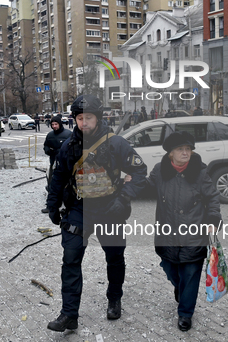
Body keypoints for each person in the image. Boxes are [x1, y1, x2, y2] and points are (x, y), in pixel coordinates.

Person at [45, 95, 147, 332]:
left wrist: (124, 197)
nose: (84, 123)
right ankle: (69, 314)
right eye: (79, 118)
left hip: (111, 208)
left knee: (114, 257)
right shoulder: (68, 146)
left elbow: (140, 172)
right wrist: (52, 205)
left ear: (97, 118)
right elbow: (58, 178)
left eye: (88, 117)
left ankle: (114, 297)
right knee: (70, 259)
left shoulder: (117, 144)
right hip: (79, 210)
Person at [146, 131, 222, 332]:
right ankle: (179, 288)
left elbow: (213, 198)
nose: (185, 152)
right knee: (170, 268)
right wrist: (128, 181)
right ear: (171, 153)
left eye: (188, 149)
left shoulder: (200, 173)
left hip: (194, 234)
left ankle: (185, 313)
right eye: (180, 149)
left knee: (190, 274)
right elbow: (145, 188)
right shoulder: (159, 171)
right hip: (167, 234)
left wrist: (213, 220)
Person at [41, 115, 72, 213]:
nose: (54, 126)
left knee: (68, 185)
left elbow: (73, 148)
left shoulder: (68, 134)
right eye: (52, 124)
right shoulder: (50, 135)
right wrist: (47, 150)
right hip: (53, 164)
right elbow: (46, 145)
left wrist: (61, 152)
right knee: (52, 185)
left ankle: (69, 206)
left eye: (56, 124)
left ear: (60, 124)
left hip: (66, 165)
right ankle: (51, 206)